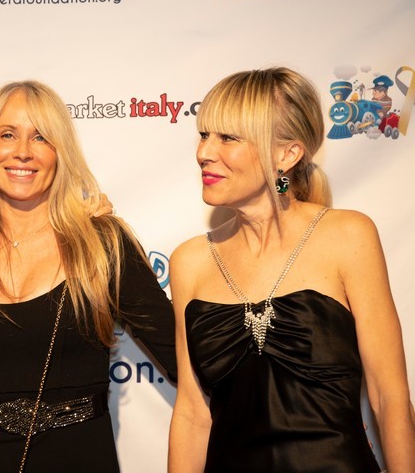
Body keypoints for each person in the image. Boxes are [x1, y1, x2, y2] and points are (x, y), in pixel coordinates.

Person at [0, 80, 177, 472]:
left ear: (60, 153)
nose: (22, 151)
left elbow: (183, 361)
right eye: (7, 134)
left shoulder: (102, 244)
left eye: (41, 137)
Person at [168, 67, 415, 472]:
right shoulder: (190, 260)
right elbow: (193, 414)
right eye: (204, 134)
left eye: (228, 137)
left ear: (287, 154)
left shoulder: (348, 235)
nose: (204, 152)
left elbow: (389, 398)